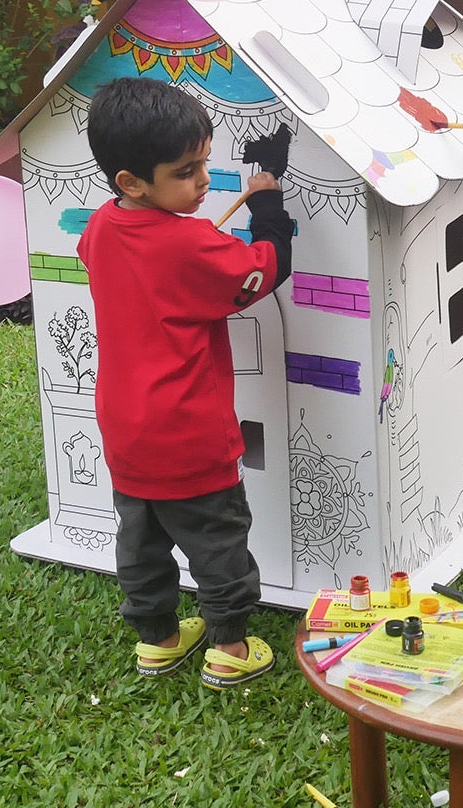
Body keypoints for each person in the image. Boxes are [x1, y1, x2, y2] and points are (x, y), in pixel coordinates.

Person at [77, 77, 294, 688]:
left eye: (203, 163)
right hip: (189, 431)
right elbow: (265, 270)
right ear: (131, 181)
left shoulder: (101, 226)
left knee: (140, 543)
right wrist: (268, 209)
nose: (203, 181)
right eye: (185, 171)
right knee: (218, 541)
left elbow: (122, 265)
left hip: (126, 428)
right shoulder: (190, 241)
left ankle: (158, 641)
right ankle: (230, 647)